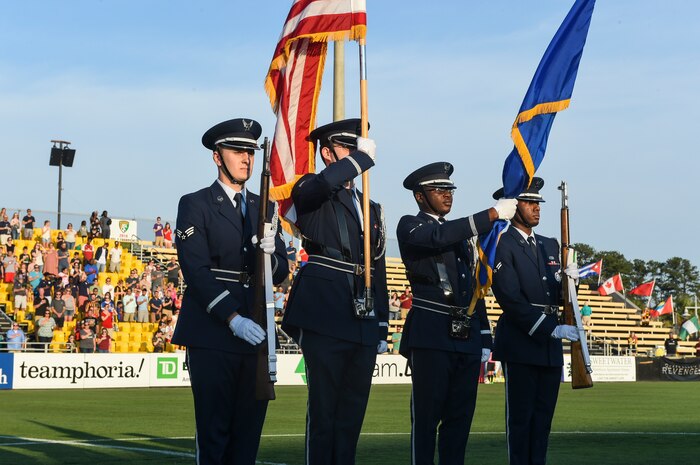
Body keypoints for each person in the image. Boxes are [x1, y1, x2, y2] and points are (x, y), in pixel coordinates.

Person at [170, 117, 288, 465]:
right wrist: (232, 317)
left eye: (250, 152)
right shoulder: (196, 204)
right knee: (214, 433)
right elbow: (196, 270)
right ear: (217, 157)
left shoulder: (263, 207)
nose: (246, 159)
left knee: (247, 437)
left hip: (255, 332)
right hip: (213, 331)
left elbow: (279, 271)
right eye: (237, 151)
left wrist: (271, 256)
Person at [281, 118, 388, 465]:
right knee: (324, 412)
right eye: (347, 146)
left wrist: (382, 323)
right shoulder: (311, 188)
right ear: (327, 153)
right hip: (325, 310)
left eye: (357, 147)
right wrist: (358, 161)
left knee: (352, 415)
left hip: (362, 315)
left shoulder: (370, 205)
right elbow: (321, 185)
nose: (355, 153)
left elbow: (377, 267)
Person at [396, 162, 517, 464]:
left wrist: (485, 335)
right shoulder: (411, 225)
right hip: (432, 333)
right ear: (420, 196)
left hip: (466, 337)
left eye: (449, 189)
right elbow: (437, 237)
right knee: (426, 420)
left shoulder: (461, 236)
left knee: (459, 421)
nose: (447, 195)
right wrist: (490, 215)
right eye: (438, 190)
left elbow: (473, 287)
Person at [490, 177, 580, 465]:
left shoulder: (549, 245)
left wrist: (571, 283)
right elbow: (510, 298)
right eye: (529, 203)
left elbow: (559, 294)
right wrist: (551, 329)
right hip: (522, 341)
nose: (536, 208)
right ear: (514, 206)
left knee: (543, 421)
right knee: (520, 420)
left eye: (538, 203)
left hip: (549, 348)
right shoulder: (502, 243)